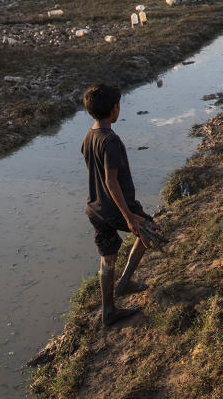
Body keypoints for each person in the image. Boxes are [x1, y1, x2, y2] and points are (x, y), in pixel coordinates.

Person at [80, 84, 153, 326]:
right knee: (148, 230)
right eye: (118, 105)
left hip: (95, 207)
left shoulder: (89, 137)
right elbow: (111, 181)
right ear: (114, 109)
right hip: (115, 207)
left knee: (107, 256)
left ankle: (108, 309)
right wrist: (129, 216)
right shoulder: (110, 140)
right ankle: (125, 283)